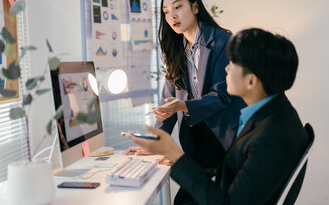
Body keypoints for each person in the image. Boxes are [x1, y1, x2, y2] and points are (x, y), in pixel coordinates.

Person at [125, 28, 310, 205]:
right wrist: (180, 162)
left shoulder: (271, 136)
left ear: (251, 81)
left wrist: (174, 152)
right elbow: (238, 173)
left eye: (233, 64)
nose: (227, 69)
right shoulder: (273, 113)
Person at [124, 0, 245, 204]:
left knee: (184, 201)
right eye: (166, 12)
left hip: (222, 137)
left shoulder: (222, 41)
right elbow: (167, 105)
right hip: (194, 139)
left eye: (178, 7)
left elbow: (222, 96)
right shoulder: (176, 49)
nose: (172, 15)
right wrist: (153, 143)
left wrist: (182, 106)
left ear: (195, 7)